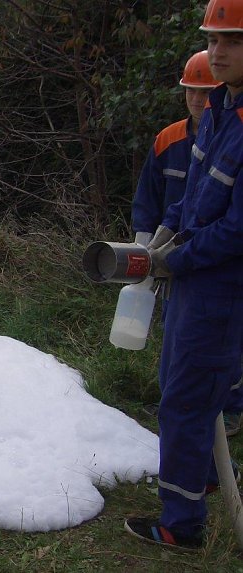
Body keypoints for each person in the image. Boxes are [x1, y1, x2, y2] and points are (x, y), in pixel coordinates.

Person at [124, 0, 243, 550]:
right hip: (192, 283)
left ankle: (182, 524)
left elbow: (237, 232)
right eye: (213, 40)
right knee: (180, 395)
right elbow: (189, 199)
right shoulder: (218, 112)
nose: (217, 52)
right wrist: (161, 243)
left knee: (190, 401)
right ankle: (196, 491)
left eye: (232, 41)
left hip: (221, 290)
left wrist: (178, 257)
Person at [132, 51, 243, 437]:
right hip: (178, 260)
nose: (196, 100)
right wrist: (145, 253)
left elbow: (232, 226)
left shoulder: (229, 134)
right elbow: (149, 199)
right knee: (179, 347)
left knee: (221, 350)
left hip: (214, 270)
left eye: (203, 92)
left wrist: (177, 255)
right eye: (189, 92)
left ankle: (228, 410)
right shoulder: (170, 139)